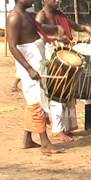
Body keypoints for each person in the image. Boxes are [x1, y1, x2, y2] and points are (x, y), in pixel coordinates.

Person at [7, 0, 63, 153]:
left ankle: (27, 139)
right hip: (29, 65)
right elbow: (12, 46)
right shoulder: (14, 17)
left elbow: (39, 31)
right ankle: (45, 142)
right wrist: (29, 69)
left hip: (37, 62)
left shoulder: (28, 15)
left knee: (36, 99)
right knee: (36, 102)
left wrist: (56, 36)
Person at [36, 0, 91, 141]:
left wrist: (86, 28)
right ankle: (58, 129)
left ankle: (66, 126)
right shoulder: (41, 16)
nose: (58, 1)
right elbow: (37, 34)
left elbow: (76, 26)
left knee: (67, 93)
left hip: (66, 54)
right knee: (57, 93)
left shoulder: (60, 15)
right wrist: (55, 37)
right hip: (52, 56)